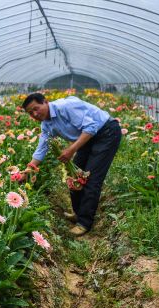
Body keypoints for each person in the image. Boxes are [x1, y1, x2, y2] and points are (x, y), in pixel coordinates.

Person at [22, 93, 121, 236]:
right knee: (74, 177)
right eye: (30, 113)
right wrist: (28, 169)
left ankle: (84, 223)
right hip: (87, 138)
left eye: (36, 108)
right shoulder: (46, 124)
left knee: (91, 178)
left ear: (46, 101)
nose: (35, 114)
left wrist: (71, 150)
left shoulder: (65, 107)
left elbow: (91, 127)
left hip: (105, 133)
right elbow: (42, 148)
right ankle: (78, 213)